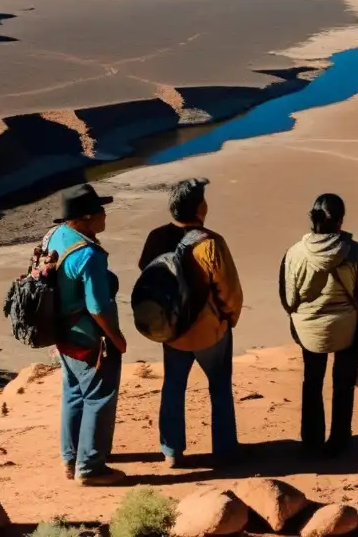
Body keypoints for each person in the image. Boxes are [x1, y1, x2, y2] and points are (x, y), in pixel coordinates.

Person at [138, 178, 243, 467]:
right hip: (210, 332)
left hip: (171, 331)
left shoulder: (156, 237)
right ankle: (224, 450)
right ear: (200, 208)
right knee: (219, 386)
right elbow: (229, 291)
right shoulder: (210, 243)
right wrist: (230, 317)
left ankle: (171, 450)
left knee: (173, 386)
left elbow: (147, 273)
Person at [280, 194, 358, 458]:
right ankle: (340, 439)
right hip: (347, 328)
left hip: (309, 330)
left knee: (312, 382)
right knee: (343, 382)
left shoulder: (295, 253)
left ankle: (311, 441)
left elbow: (289, 299)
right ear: (341, 220)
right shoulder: (354, 251)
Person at [50, 183, 128, 486]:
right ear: (84, 218)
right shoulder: (89, 255)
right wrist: (117, 338)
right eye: (99, 211)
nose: (105, 215)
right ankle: (90, 467)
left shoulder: (56, 236)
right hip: (88, 339)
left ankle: (70, 459)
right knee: (99, 397)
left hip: (63, 335)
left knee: (74, 394)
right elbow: (97, 306)